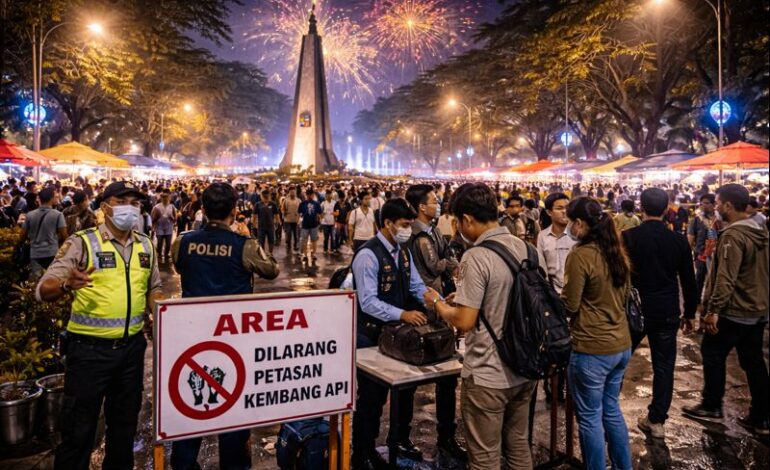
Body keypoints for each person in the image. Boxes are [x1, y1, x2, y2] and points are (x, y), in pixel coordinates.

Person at [36, 181, 162, 470]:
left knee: (123, 432)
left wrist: (163, 313)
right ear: (105, 206)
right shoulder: (82, 242)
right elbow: (44, 289)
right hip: (88, 354)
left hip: (131, 353)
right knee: (78, 433)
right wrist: (68, 284)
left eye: (136, 202)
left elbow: (154, 287)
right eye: (123, 201)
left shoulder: (146, 244)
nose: (131, 207)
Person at [429, 183, 539, 470]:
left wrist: (440, 305)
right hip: (524, 367)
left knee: (485, 458)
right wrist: (464, 299)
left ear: (466, 219)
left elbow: (465, 321)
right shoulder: (524, 247)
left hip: (489, 374)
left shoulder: (476, 256)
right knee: (518, 448)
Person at [170, 182, 278, 469]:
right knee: (233, 406)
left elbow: (180, 267)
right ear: (234, 210)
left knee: (189, 404)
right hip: (234, 340)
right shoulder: (245, 245)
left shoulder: (182, 241)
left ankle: (183, 462)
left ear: (202, 209)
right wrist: (246, 236)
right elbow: (271, 270)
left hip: (192, 339)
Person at [351, 198, 433, 469]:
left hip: (398, 336)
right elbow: (368, 302)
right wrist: (403, 314)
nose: (407, 229)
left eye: (409, 224)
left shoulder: (403, 251)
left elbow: (416, 285)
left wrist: (438, 301)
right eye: (403, 224)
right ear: (387, 223)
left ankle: (398, 439)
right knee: (372, 399)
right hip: (370, 336)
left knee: (405, 390)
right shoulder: (368, 255)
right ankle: (363, 451)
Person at [683, 184, 769, 435]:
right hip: (758, 309)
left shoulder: (734, 236)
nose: (716, 208)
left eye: (719, 203)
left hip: (736, 309)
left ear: (729, 206)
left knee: (712, 352)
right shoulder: (760, 230)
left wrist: (713, 310)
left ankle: (711, 405)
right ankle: (762, 416)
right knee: (754, 361)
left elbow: (725, 278)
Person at [561, 197, 632, 470]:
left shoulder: (580, 255)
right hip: (621, 345)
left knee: (590, 417)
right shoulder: (617, 252)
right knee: (611, 410)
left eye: (571, 221)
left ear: (579, 223)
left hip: (592, 348)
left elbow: (570, 304)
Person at [623, 188, 698, 439]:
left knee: (618, 364)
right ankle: (657, 420)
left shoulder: (628, 238)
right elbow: (689, 280)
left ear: (640, 208)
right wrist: (690, 313)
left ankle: (607, 410)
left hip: (634, 310)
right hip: (666, 311)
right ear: (667, 209)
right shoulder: (677, 240)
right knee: (664, 366)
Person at [404, 184, 466, 461]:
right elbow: (434, 266)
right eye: (433, 200)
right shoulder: (417, 236)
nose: (438, 203)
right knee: (409, 379)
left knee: (447, 377)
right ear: (421, 207)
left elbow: (449, 257)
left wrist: (447, 260)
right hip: (423, 310)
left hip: (441, 306)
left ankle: (447, 436)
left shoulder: (434, 231)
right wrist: (447, 261)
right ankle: (401, 438)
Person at [535, 192, 576, 404]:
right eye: (559, 208)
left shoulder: (576, 236)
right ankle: (553, 386)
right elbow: (541, 271)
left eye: (566, 207)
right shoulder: (542, 237)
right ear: (549, 212)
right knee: (554, 343)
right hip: (552, 297)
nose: (564, 212)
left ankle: (570, 387)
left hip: (574, 298)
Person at [19, 187, 67, 279]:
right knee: (52, 279)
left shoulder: (30, 215)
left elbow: (22, 236)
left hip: (35, 253)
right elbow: (64, 235)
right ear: (51, 199)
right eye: (55, 197)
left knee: (37, 281)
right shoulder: (58, 215)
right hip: (52, 253)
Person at [687, 193, 722, 302]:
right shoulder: (697, 220)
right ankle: (696, 301)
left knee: (715, 279)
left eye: (706, 203)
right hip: (701, 254)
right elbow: (690, 237)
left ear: (713, 204)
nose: (703, 205)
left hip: (717, 254)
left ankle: (711, 302)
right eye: (702, 203)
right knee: (699, 278)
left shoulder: (720, 219)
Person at [151, 190, 177, 263]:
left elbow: (175, 218)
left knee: (168, 243)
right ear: (161, 198)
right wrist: (156, 218)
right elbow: (152, 218)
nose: (165, 199)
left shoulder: (172, 207)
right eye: (163, 197)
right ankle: (159, 254)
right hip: (159, 227)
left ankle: (166, 254)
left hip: (169, 227)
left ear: (169, 198)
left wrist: (172, 217)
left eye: (166, 197)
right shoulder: (157, 207)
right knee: (159, 242)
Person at [298, 188, 322, 262]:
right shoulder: (302, 203)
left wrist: (320, 222)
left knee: (314, 240)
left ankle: (313, 254)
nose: (310, 196)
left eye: (311, 194)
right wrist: (299, 221)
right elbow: (299, 213)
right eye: (308, 194)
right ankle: (305, 254)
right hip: (305, 225)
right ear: (306, 195)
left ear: (313, 195)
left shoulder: (316, 203)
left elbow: (319, 213)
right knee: (304, 240)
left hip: (314, 224)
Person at [253, 189, 279, 254]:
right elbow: (254, 216)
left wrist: (277, 223)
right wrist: (254, 226)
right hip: (261, 226)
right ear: (262, 196)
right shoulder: (257, 204)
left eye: (267, 196)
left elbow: (276, 214)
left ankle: (270, 254)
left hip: (270, 226)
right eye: (264, 196)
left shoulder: (273, 204)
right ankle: (263, 254)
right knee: (261, 241)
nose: (266, 197)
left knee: (271, 241)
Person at [282, 187, 301, 253]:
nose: (292, 193)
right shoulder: (286, 200)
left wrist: (299, 217)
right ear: (289, 193)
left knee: (296, 234)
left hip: (296, 220)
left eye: (293, 192)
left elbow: (301, 210)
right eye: (291, 192)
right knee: (289, 233)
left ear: (295, 192)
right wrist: (284, 214)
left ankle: (296, 245)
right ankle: (288, 244)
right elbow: (283, 209)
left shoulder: (299, 200)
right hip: (288, 220)